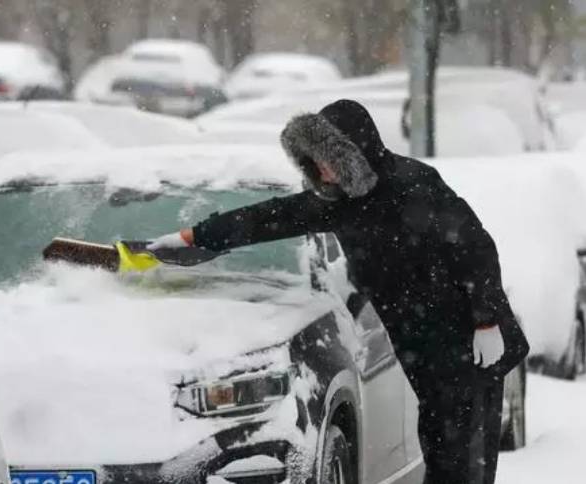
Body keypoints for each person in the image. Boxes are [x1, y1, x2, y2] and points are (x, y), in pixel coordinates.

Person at [148, 99, 529, 483]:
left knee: (462, 465)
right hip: (425, 349)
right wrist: (195, 236)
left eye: (331, 158)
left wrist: (486, 320)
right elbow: (271, 218)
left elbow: (475, 247)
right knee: (442, 452)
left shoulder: (414, 184)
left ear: (357, 153)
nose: (324, 169)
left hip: (472, 343)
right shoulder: (338, 203)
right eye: (316, 160)